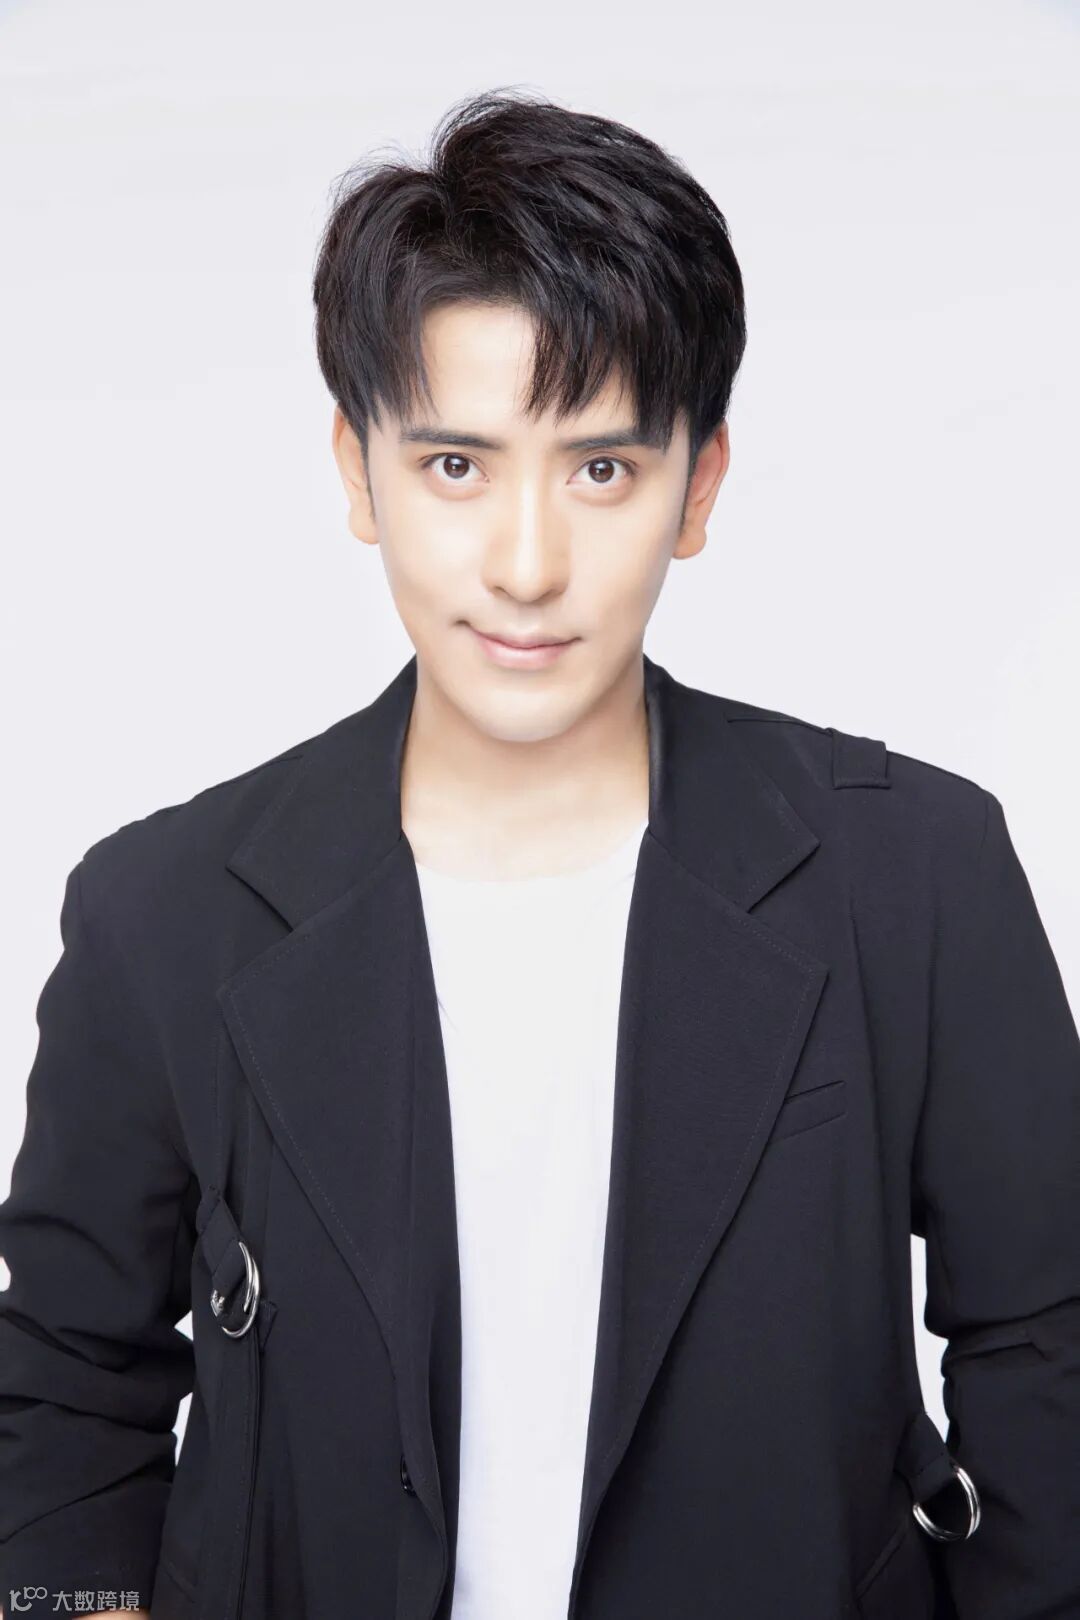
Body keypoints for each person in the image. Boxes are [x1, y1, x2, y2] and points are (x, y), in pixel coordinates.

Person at [1, 87, 1078, 1620]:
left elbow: (1048, 1345)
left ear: (699, 484)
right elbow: (64, 1389)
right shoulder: (162, 914)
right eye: (457, 465)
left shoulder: (916, 877)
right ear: (357, 469)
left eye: (601, 470)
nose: (526, 563)